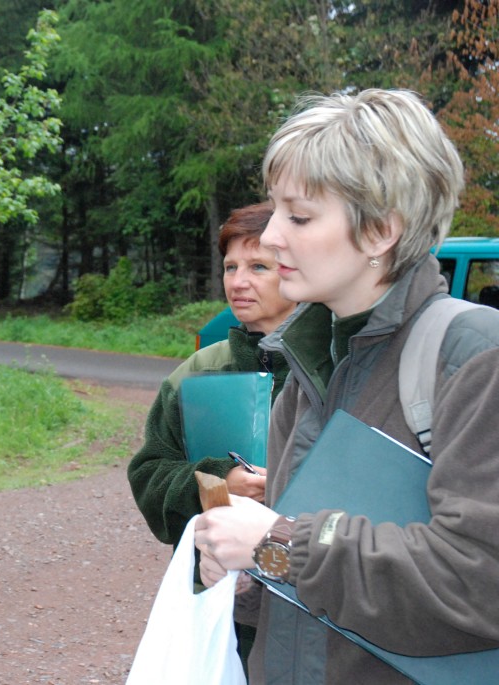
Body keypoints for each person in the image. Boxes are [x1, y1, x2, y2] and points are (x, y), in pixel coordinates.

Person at [194, 88, 499, 684]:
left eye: (299, 216)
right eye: (275, 210)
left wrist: (279, 544)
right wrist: (243, 574)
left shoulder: (473, 358)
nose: (272, 236)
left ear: (381, 230)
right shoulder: (307, 366)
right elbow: (306, 585)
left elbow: (481, 579)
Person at [127, 202, 296, 665]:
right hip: (221, 608)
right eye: (230, 267)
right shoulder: (198, 372)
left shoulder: (333, 369)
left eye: (258, 266)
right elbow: (149, 477)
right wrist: (219, 483)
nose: (238, 282)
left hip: (312, 608)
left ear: (296, 267)